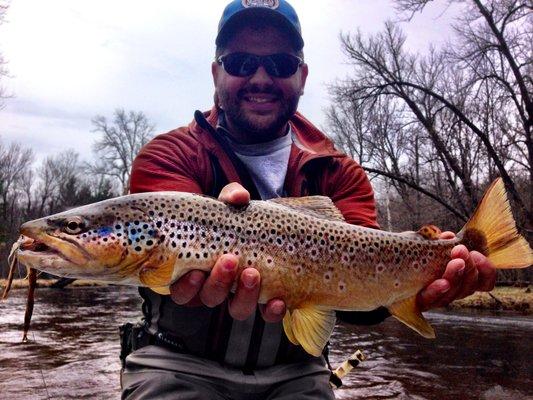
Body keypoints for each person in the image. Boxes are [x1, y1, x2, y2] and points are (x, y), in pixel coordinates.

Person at [120, 1, 497, 399]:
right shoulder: (169, 156)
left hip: (298, 370)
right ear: (216, 72)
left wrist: (416, 285)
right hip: (179, 364)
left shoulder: (339, 172)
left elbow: (362, 302)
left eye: (280, 64)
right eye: (242, 62)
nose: (261, 78)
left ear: (301, 76)